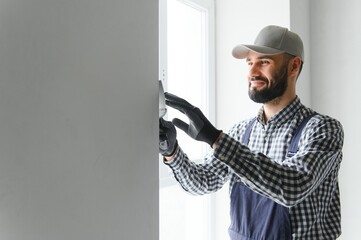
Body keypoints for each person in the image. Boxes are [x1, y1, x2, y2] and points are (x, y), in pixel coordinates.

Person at [159, 25, 344, 240]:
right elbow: (203, 181)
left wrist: (215, 138)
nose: (252, 72)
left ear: (294, 66)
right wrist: (172, 152)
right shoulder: (240, 132)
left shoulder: (322, 129)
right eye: (249, 63)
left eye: (264, 62)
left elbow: (293, 186)